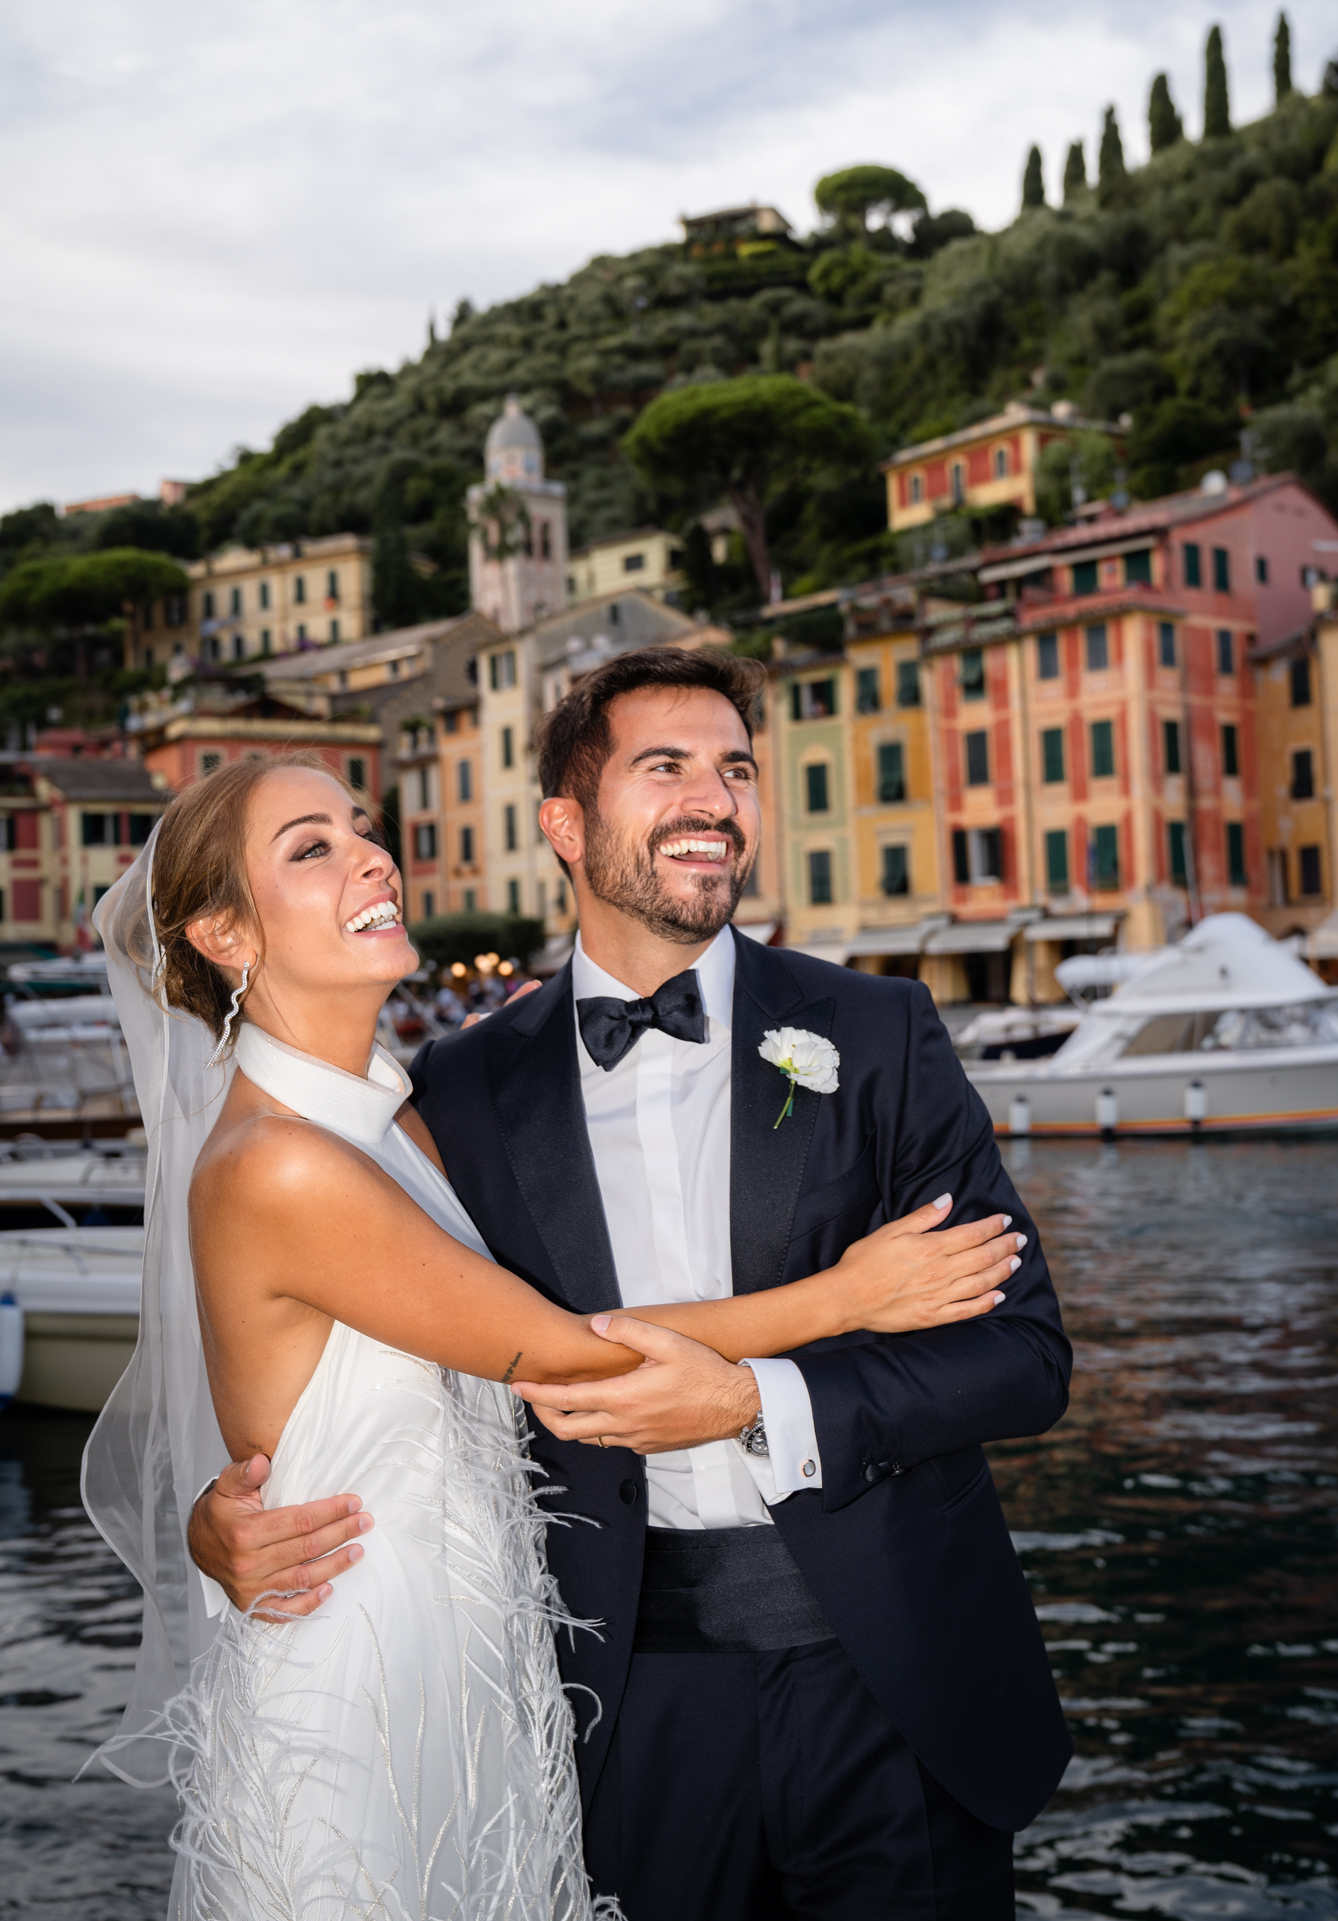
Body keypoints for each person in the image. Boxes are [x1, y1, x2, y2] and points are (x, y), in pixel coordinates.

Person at [189, 647, 1074, 1918]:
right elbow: (407, 1350)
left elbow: (1023, 1356)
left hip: (889, 1680)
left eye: (735, 770)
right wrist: (220, 1519)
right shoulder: (455, 1097)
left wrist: (761, 1400)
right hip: (606, 1701)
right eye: (665, 768)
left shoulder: (880, 1034)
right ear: (565, 821)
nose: (713, 799)